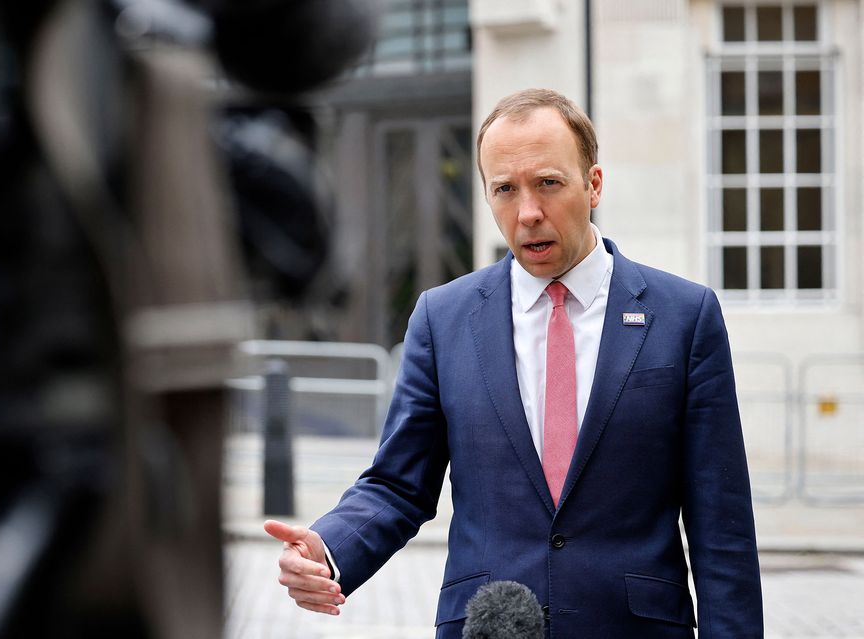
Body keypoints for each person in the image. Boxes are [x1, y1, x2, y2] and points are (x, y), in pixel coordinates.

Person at [264, 88, 763, 638]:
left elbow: (722, 525)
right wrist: (329, 548)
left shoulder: (684, 316)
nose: (527, 212)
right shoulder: (441, 318)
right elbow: (398, 484)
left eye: (548, 183)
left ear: (594, 184)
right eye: (505, 189)